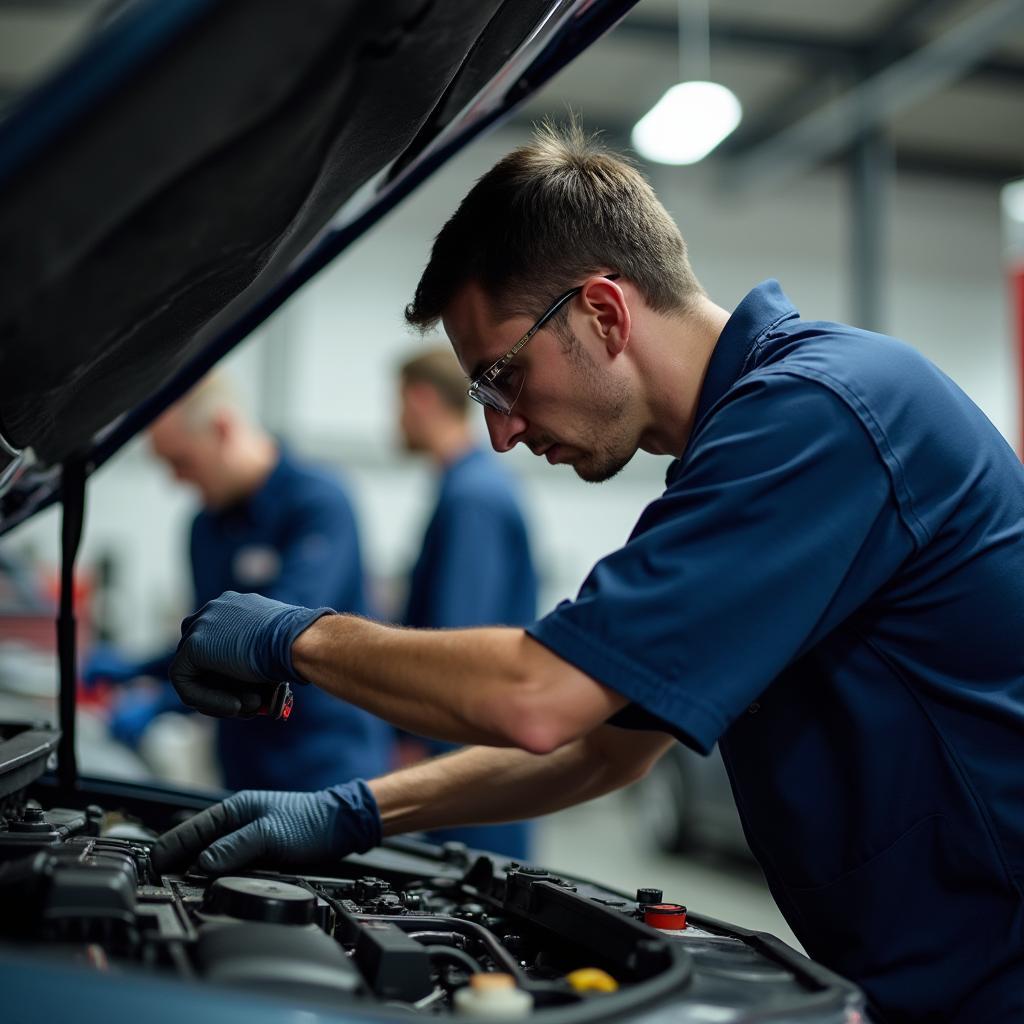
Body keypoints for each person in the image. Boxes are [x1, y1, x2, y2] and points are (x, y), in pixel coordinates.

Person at [152, 124, 1024, 1024]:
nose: (499, 432)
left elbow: (542, 695)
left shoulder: (824, 415)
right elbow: (605, 745)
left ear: (604, 313)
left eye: (502, 378)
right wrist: (357, 810)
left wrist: (297, 636)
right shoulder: (737, 460)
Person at [86, 373, 393, 790]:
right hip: (243, 763)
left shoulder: (318, 505)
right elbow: (210, 643)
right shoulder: (204, 528)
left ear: (222, 429)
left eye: (181, 461)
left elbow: (277, 640)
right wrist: (137, 667)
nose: (175, 481)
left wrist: (162, 701)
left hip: (323, 763)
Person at [396, 345, 537, 859]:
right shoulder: (465, 488)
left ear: (420, 401)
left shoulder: (472, 497)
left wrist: (416, 742)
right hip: (470, 751)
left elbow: (459, 641)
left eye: (396, 404)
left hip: (469, 758)